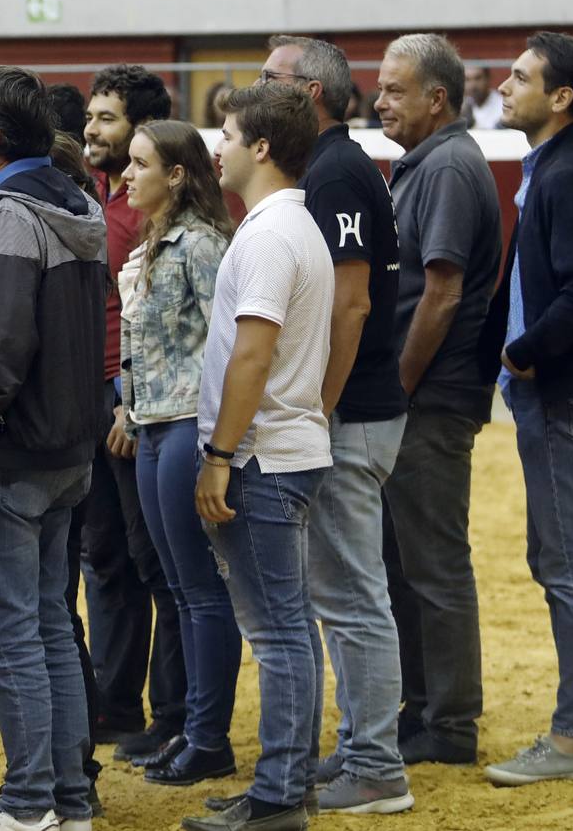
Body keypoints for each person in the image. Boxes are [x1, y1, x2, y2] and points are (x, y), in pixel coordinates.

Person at [0, 66, 109, 831]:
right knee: (44, 625)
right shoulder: (73, 200)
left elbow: (1, 351)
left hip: (8, 453)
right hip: (69, 447)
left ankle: (32, 800)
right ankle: (67, 800)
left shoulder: (7, 214)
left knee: (8, 637)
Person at [260, 37, 412, 816]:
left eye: (269, 78)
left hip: (349, 414)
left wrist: (318, 406)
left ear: (311, 94)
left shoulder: (337, 171)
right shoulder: (332, 169)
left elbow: (350, 303)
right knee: (342, 593)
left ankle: (376, 763)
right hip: (352, 410)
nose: (257, 88)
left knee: (351, 595)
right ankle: (361, 745)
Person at [481, 32, 573, 788]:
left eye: (519, 77)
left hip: (558, 390)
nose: (503, 88)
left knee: (565, 565)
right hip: (560, 385)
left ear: (560, 98)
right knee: (565, 560)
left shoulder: (565, 175)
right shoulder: (559, 168)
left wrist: (521, 353)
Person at [182, 82, 331, 831]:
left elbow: (252, 354)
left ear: (262, 147)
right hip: (283, 447)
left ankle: (276, 796)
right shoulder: (285, 229)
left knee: (277, 633)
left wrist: (218, 453)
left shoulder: (269, 234)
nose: (219, 146)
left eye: (229, 133)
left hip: (261, 457)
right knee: (289, 626)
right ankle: (288, 784)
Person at [373, 34, 502, 768]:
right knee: (406, 561)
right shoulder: (428, 163)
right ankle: (423, 708)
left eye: (394, 90)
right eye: (380, 89)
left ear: (437, 98)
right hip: (425, 393)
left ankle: (448, 722)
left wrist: (396, 387)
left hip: (430, 395)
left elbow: (443, 290)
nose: (381, 101)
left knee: (431, 562)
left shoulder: (447, 165)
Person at [116, 120, 239, 788]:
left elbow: (230, 341)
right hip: (154, 423)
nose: (126, 175)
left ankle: (207, 737)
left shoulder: (198, 245)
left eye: (140, 165)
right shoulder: (159, 242)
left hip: (189, 423)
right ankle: (197, 730)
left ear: (177, 175)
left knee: (198, 590)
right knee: (182, 588)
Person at [79, 65, 185, 769]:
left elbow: (167, 327)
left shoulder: (154, 209)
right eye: (91, 116)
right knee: (106, 560)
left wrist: (130, 400)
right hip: (88, 399)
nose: (92, 129)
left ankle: (176, 715)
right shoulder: (90, 197)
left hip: (135, 403)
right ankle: (118, 704)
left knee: (161, 566)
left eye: (107, 118)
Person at [461, 64, 503, 129]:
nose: (473, 86)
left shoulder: (502, 105)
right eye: (467, 79)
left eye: (477, 78)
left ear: (487, 79)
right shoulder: (464, 105)